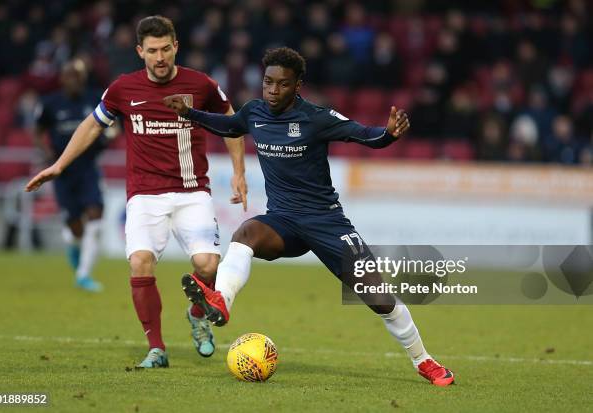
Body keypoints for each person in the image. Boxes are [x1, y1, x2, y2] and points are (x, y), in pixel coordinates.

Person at [164, 47, 455, 386]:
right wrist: (190, 113)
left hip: (326, 222)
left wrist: (388, 134)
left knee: (379, 298)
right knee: (245, 233)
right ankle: (222, 302)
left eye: (282, 84)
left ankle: (424, 361)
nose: (273, 91)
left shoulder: (317, 118)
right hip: (283, 222)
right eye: (268, 83)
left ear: (297, 85)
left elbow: (364, 135)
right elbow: (230, 126)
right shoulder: (254, 112)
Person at [26, 16, 247, 367]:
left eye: (165, 49)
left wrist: (239, 172)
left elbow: (232, 123)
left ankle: (196, 314)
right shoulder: (123, 89)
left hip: (192, 192)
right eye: (152, 51)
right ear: (140, 51)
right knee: (140, 264)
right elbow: (91, 126)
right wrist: (59, 165)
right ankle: (156, 349)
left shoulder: (200, 84)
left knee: (207, 265)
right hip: (144, 195)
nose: (159, 57)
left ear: (176, 46)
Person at [33, 58, 105, 292]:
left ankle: (83, 275)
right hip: (63, 171)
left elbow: (110, 126)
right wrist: (47, 154)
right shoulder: (50, 104)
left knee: (95, 214)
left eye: (77, 77)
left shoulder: (93, 100)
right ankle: (74, 246)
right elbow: (38, 131)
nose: (73, 81)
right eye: (69, 76)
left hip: (87, 168)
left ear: (82, 80)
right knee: (75, 228)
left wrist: (108, 139)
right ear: (62, 79)